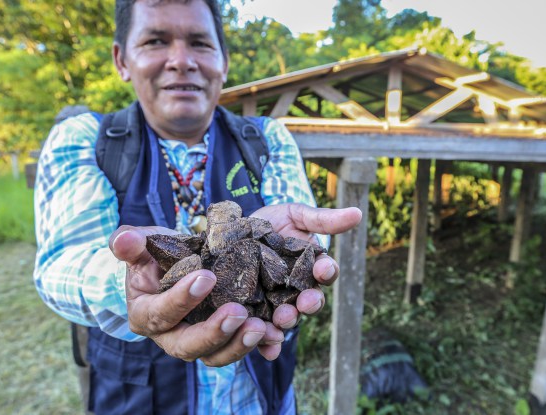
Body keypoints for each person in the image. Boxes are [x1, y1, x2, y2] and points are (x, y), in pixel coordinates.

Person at [32, 0, 362, 414]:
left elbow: (302, 242)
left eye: (200, 43)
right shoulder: (84, 140)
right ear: (122, 59)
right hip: (134, 400)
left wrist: (295, 253)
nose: (181, 61)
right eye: (155, 40)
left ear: (223, 61)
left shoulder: (266, 139)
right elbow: (59, 266)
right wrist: (127, 283)